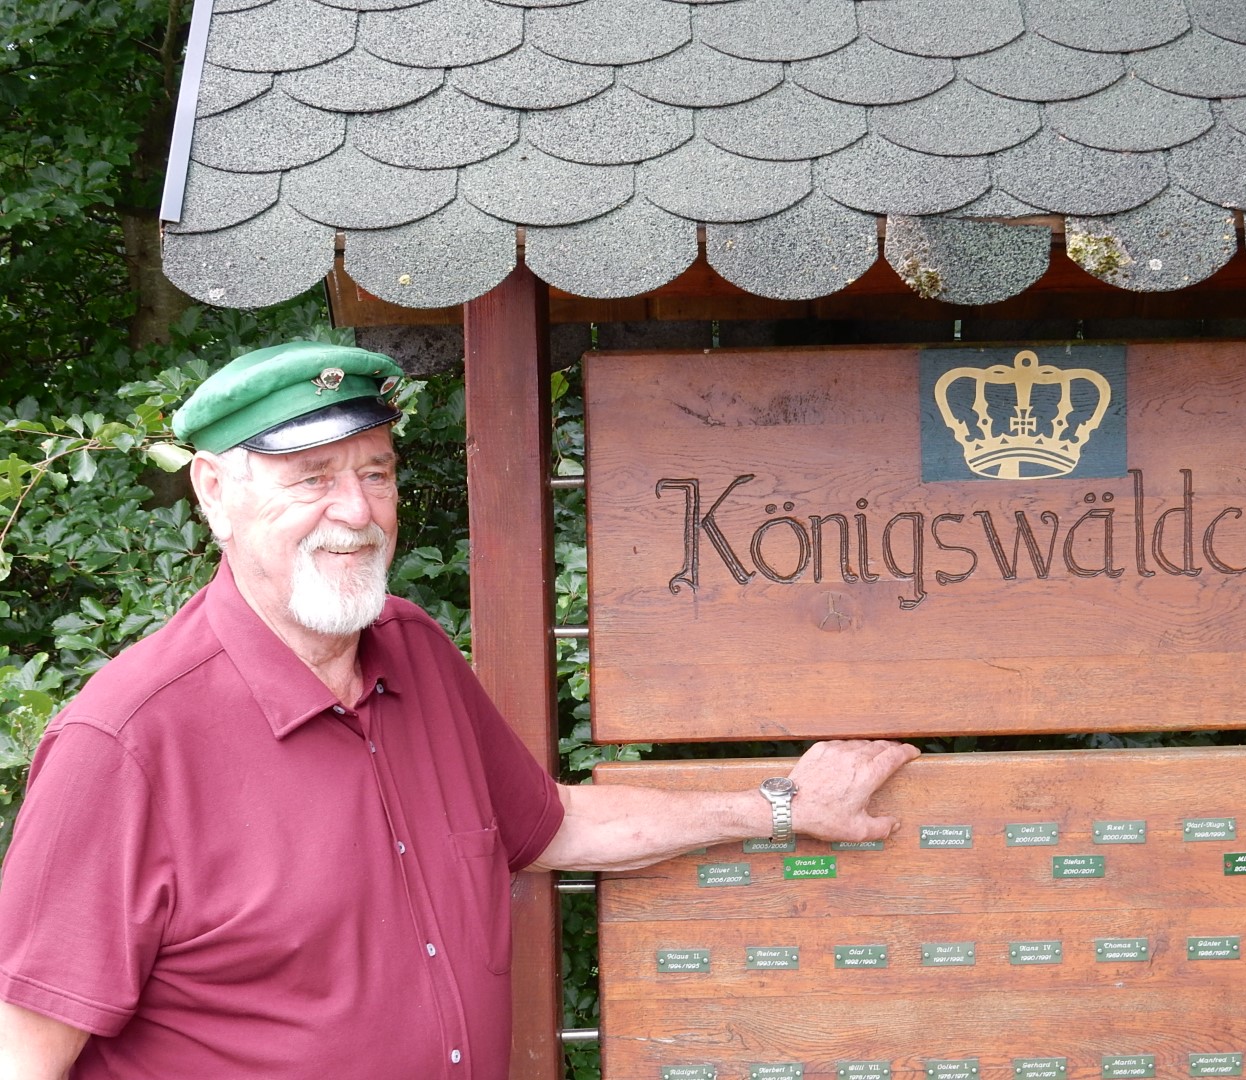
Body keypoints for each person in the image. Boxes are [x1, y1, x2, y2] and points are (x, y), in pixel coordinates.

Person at [0, 342, 919, 1080]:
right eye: (311, 478)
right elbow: (23, 1053)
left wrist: (781, 807)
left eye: (376, 473)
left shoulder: (414, 651)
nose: (356, 512)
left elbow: (551, 825)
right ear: (213, 491)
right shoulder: (123, 743)